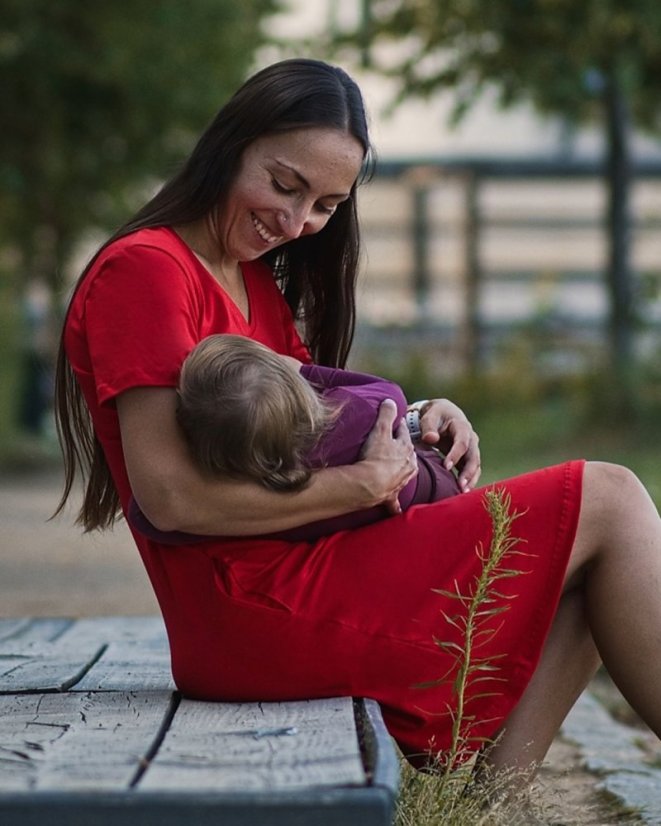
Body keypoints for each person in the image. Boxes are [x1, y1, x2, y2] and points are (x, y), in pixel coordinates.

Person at [54, 57, 661, 783]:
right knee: (608, 499)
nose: (296, 220)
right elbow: (171, 497)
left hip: (290, 573)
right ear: (229, 145)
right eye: (283, 184)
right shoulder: (147, 270)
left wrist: (419, 419)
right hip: (249, 605)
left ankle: (498, 803)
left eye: (324, 205)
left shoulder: (251, 283)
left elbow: (305, 435)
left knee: (580, 548)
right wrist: (363, 486)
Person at [126, 333, 460, 545]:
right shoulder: (359, 416)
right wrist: (296, 371)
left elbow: (145, 516)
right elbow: (392, 396)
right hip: (445, 496)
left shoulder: (256, 501)